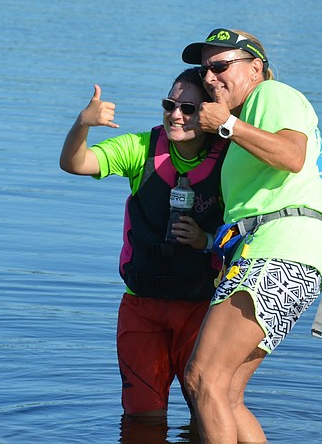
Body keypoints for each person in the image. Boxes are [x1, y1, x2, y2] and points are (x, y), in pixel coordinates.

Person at [180, 28, 322, 444]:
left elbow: (290, 156)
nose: (210, 77)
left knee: (202, 378)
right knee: (225, 393)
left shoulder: (272, 95)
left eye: (220, 66)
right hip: (294, 257)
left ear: (256, 68)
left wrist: (227, 124)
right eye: (203, 69)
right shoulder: (251, 116)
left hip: (279, 253)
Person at [59, 67, 229, 419]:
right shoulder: (139, 148)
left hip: (201, 307)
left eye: (189, 109)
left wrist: (207, 240)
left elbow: (253, 224)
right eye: (169, 105)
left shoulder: (231, 159)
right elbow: (74, 163)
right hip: (141, 305)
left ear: (211, 113)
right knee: (142, 417)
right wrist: (83, 124)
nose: (176, 115)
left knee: (208, 411)